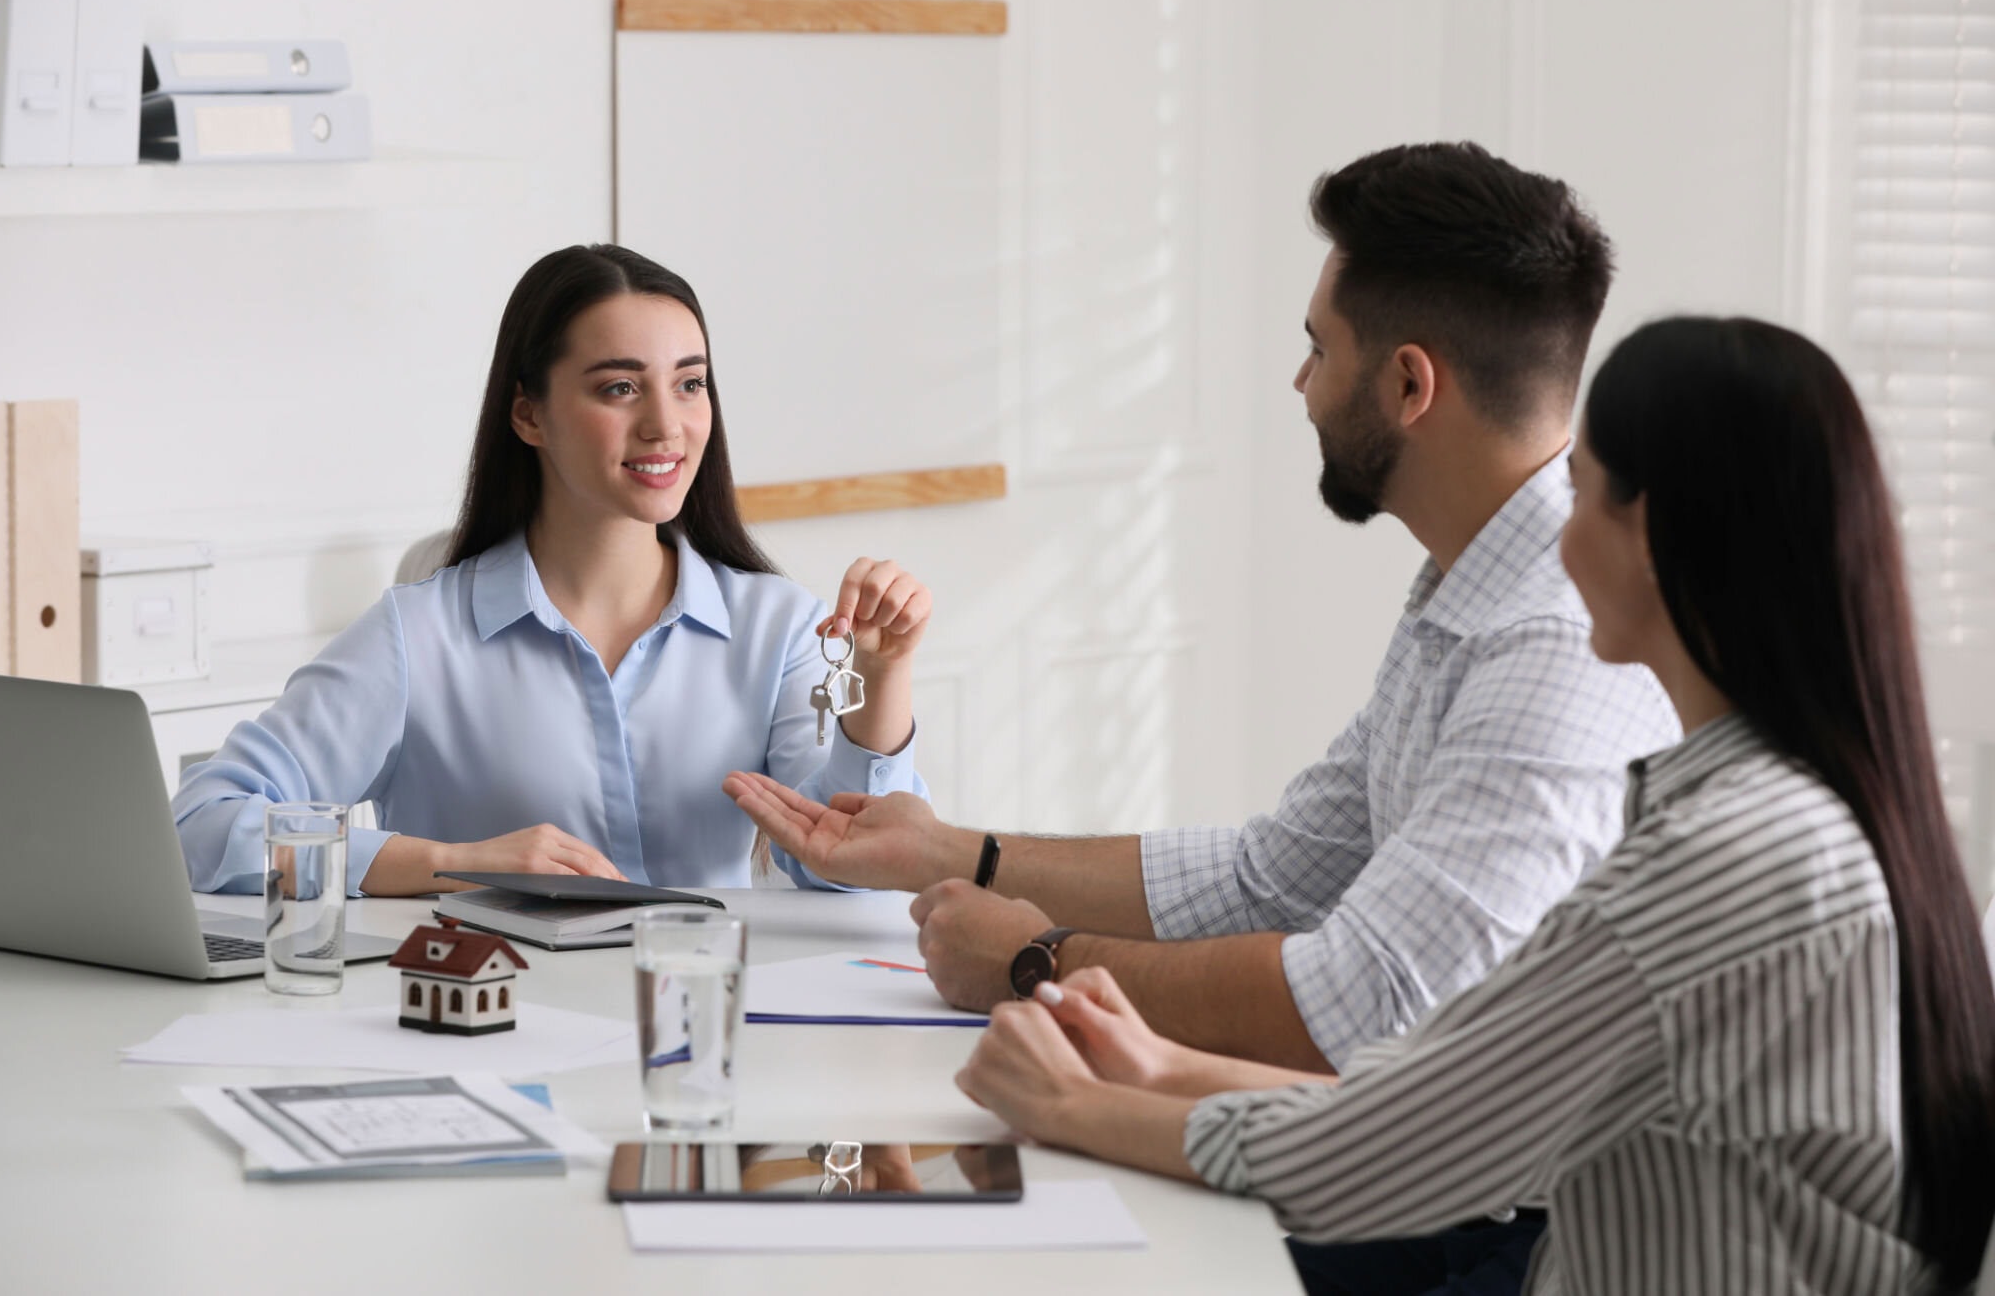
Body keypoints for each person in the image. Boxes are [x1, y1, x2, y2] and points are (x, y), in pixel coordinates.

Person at [954, 317, 1995, 1296]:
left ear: (1649, 534)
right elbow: (1462, 1100)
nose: (1555, 537)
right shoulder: (1798, 805)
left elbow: (1389, 1149)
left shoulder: (1724, 855)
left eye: (1578, 491)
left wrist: (1072, 1103)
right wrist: (1162, 1069)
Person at [725, 142, 1678, 1078]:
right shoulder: (1470, 592)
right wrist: (946, 850)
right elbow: (1274, 876)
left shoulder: (1555, 645)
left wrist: (1039, 963)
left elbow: (1371, 1005)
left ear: (1408, 384)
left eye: (1319, 348)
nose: (1302, 385)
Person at [175, 244, 932, 896]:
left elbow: (852, 865)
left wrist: (883, 674)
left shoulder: (781, 628)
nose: (666, 425)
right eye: (620, 388)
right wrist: (456, 864)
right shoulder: (420, 636)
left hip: (703, 1007)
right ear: (529, 415)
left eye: (690, 383)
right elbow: (199, 825)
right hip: (499, 1009)